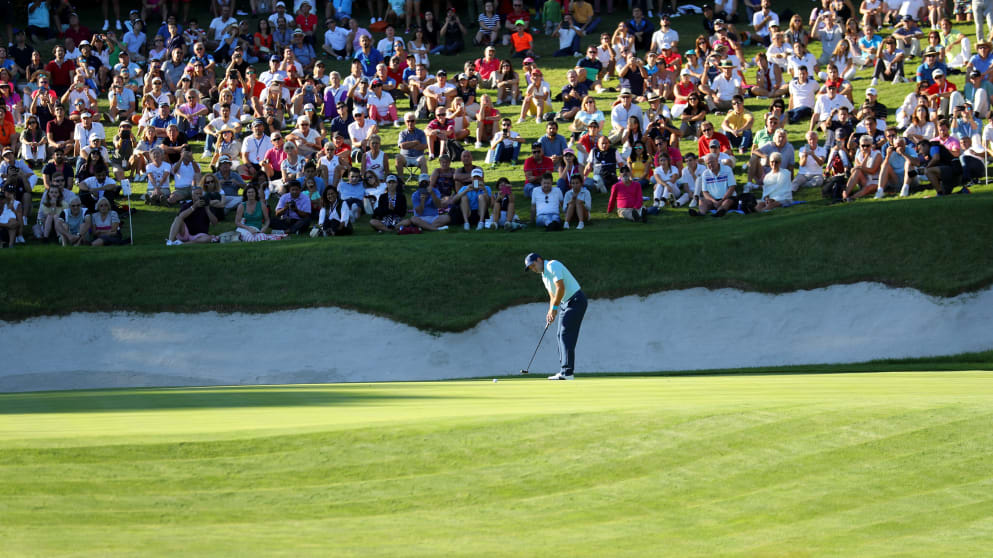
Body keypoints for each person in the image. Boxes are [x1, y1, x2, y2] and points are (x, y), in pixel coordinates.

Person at [524, 252, 588, 381]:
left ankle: (567, 372)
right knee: (560, 335)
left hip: (576, 301)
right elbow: (553, 295)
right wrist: (550, 312)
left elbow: (560, 288)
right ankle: (564, 370)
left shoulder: (553, 265)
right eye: (530, 268)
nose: (533, 269)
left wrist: (554, 309)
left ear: (539, 259)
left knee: (565, 334)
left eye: (533, 265)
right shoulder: (544, 276)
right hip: (566, 303)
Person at [692, 153, 736, 217]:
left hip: (726, 198)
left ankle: (719, 212)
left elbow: (732, 187)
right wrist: (714, 201)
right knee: (702, 201)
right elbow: (705, 192)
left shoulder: (727, 169)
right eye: (707, 163)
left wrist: (722, 200)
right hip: (713, 199)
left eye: (711, 162)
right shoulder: (705, 173)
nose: (710, 165)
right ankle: (701, 213)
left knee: (727, 202)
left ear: (717, 160)